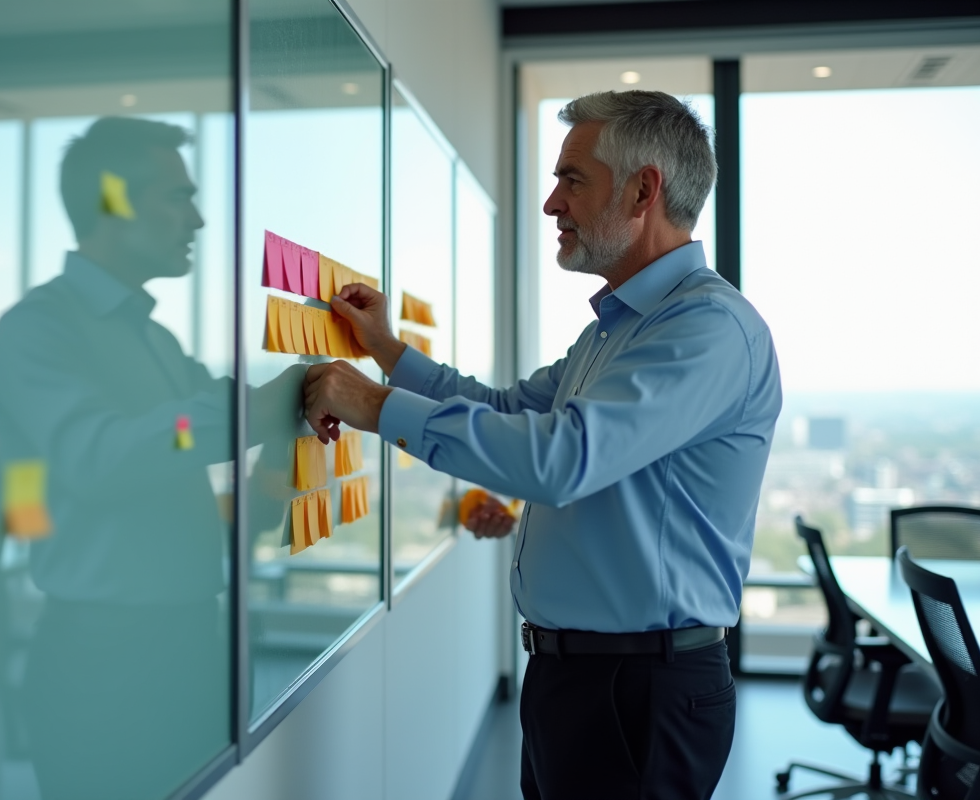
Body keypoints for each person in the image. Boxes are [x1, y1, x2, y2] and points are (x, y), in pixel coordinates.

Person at [301, 90, 782, 799]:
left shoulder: (705, 330)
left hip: (637, 690)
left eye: (573, 180)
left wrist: (372, 405)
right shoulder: (614, 331)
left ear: (643, 189)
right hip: (576, 678)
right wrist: (390, 354)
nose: (553, 204)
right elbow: (506, 410)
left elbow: (560, 460)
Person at [0, 117, 287, 800]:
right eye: (177, 196)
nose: (199, 218)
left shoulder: (152, 337)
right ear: (115, 201)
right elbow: (106, 455)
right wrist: (253, 409)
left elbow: (182, 436)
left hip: (185, 647)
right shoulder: (38, 331)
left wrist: (283, 419)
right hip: (104, 667)